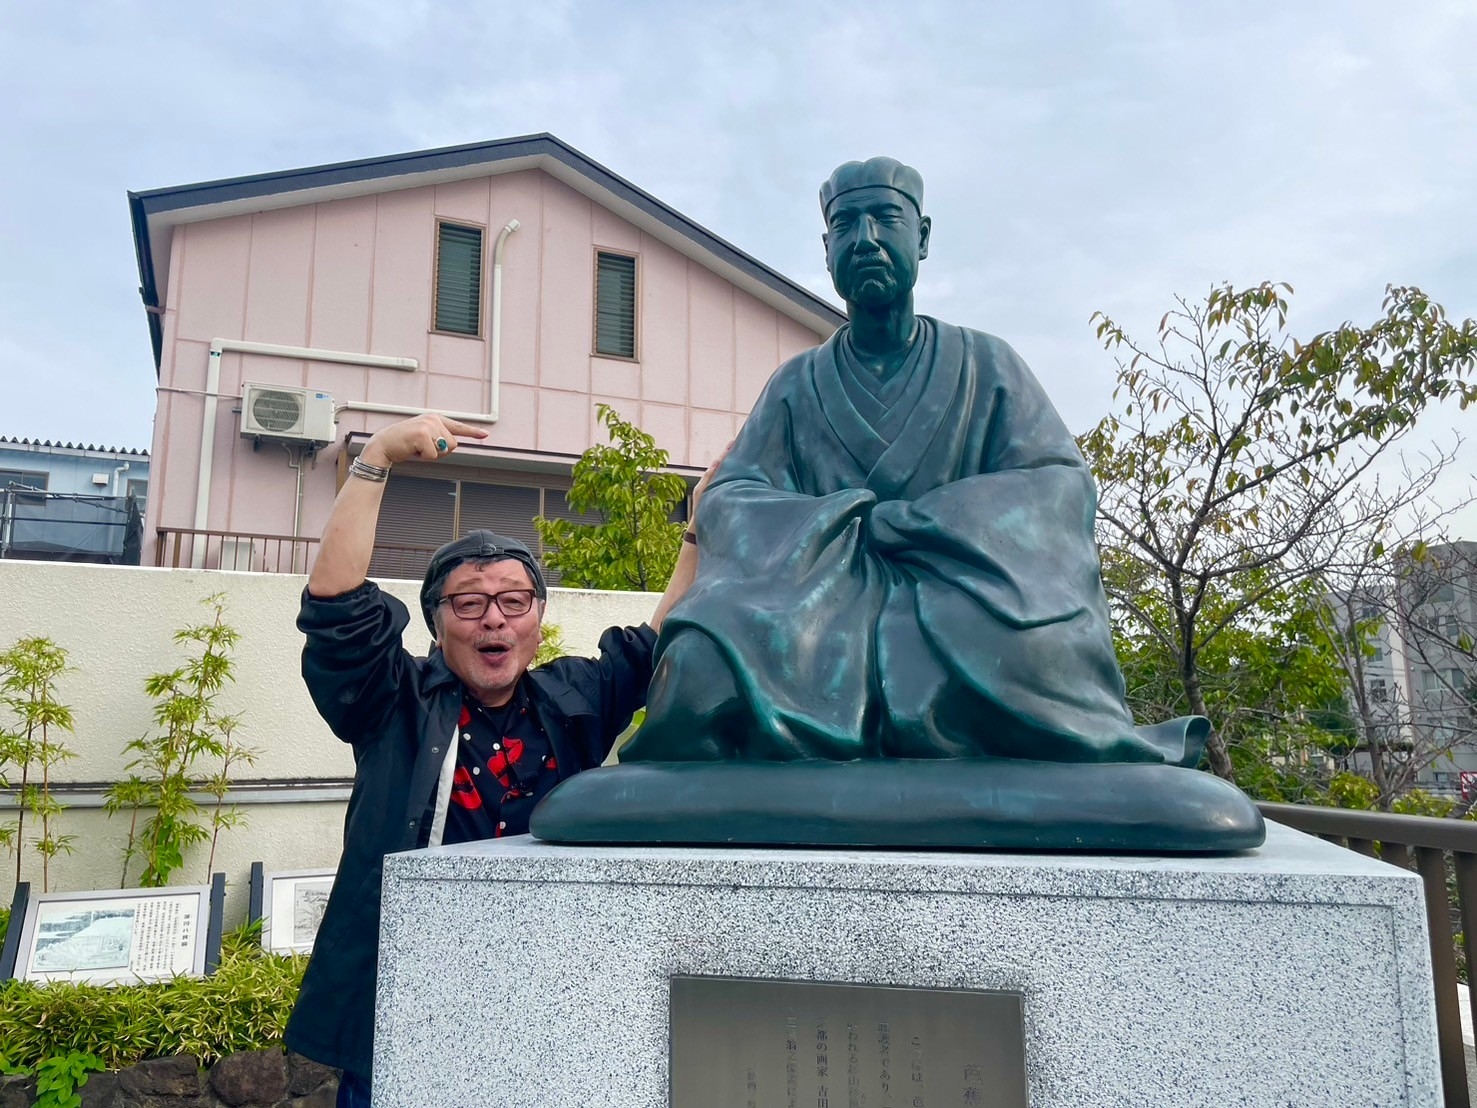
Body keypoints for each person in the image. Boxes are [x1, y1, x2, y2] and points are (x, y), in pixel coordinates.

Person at [623, 156, 1203, 768]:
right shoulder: (795, 385)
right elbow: (733, 496)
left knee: (1040, 654)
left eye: (885, 218)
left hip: (959, 598)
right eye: (846, 225)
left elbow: (1058, 487)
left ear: (922, 238)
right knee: (698, 663)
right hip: (817, 609)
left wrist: (916, 524)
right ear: (827, 249)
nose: (865, 238)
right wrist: (842, 529)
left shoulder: (987, 364)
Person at [282, 412, 714, 1107]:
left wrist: (696, 528)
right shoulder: (394, 703)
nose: (494, 618)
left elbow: (661, 640)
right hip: (408, 1000)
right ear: (436, 621)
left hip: (540, 992)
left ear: (537, 618)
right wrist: (377, 458)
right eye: (469, 603)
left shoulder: (573, 699)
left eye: (514, 601)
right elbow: (336, 610)